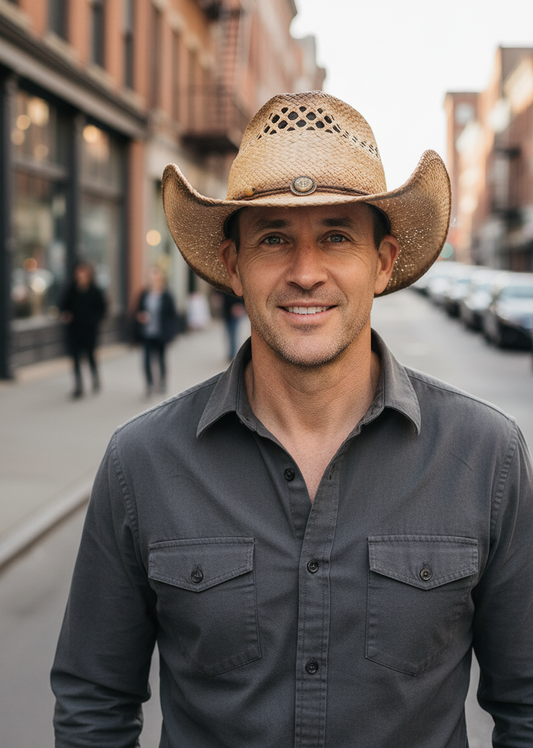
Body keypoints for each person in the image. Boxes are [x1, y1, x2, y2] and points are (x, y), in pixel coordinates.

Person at [51, 92, 533, 747]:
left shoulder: (485, 457)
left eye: (335, 235)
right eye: (274, 237)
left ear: (382, 260)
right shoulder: (141, 463)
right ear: (233, 265)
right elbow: (93, 704)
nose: (305, 272)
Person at [60, 260, 106, 398]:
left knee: (90, 356)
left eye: (83, 272)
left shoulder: (94, 290)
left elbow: (102, 309)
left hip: (89, 331)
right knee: (75, 358)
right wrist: (66, 315)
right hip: (74, 330)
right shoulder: (71, 289)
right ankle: (78, 385)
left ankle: (95, 379)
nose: (80, 275)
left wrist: (94, 320)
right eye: (78, 272)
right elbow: (63, 306)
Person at [135, 266, 179, 395]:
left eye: (156, 276)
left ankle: (162, 384)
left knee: (161, 360)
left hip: (161, 333)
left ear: (161, 279)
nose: (153, 279)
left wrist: (171, 334)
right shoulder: (144, 294)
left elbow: (172, 315)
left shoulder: (167, 295)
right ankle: (149, 385)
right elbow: (137, 311)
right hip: (147, 333)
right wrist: (140, 316)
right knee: (146, 361)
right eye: (151, 276)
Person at [219, 290, 246, 360]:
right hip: (227, 310)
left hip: (234, 310)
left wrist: (240, 306)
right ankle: (231, 353)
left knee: (234, 333)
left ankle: (233, 354)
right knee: (229, 333)